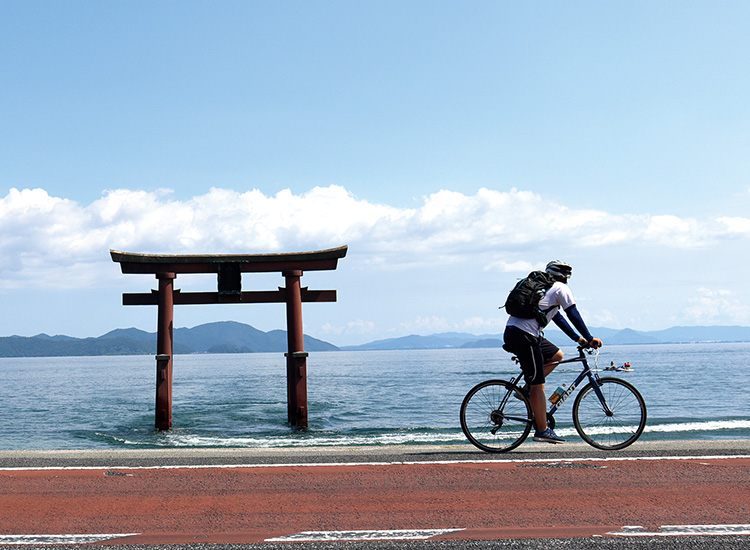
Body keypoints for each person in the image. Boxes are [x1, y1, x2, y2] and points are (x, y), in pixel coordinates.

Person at [503, 260, 603, 444]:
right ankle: (542, 430)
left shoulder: (547, 290)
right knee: (538, 384)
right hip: (525, 336)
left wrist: (578, 339)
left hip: (518, 332)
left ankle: (525, 390)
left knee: (557, 356)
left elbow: (558, 318)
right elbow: (573, 314)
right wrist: (589, 337)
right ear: (565, 276)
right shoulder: (560, 288)